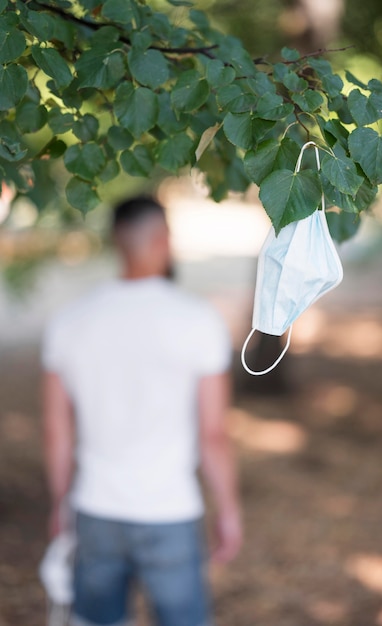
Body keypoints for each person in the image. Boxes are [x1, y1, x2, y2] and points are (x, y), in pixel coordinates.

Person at [41, 195, 242, 626]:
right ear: (164, 239)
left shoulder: (70, 320)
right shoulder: (198, 320)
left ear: (116, 241)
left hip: (95, 507)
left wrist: (61, 505)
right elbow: (213, 435)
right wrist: (227, 511)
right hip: (169, 509)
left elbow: (57, 431)